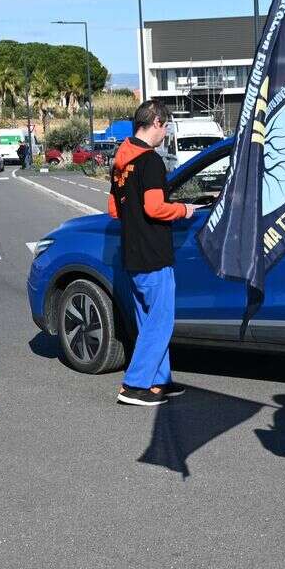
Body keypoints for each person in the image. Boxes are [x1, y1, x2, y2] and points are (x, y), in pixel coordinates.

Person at [109, 100, 200, 407]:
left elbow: (113, 209)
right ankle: (134, 385)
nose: (166, 134)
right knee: (160, 323)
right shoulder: (150, 162)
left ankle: (158, 382)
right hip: (154, 253)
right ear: (158, 122)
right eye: (166, 127)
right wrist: (185, 209)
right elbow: (155, 207)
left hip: (132, 253)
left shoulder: (121, 160)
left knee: (147, 320)